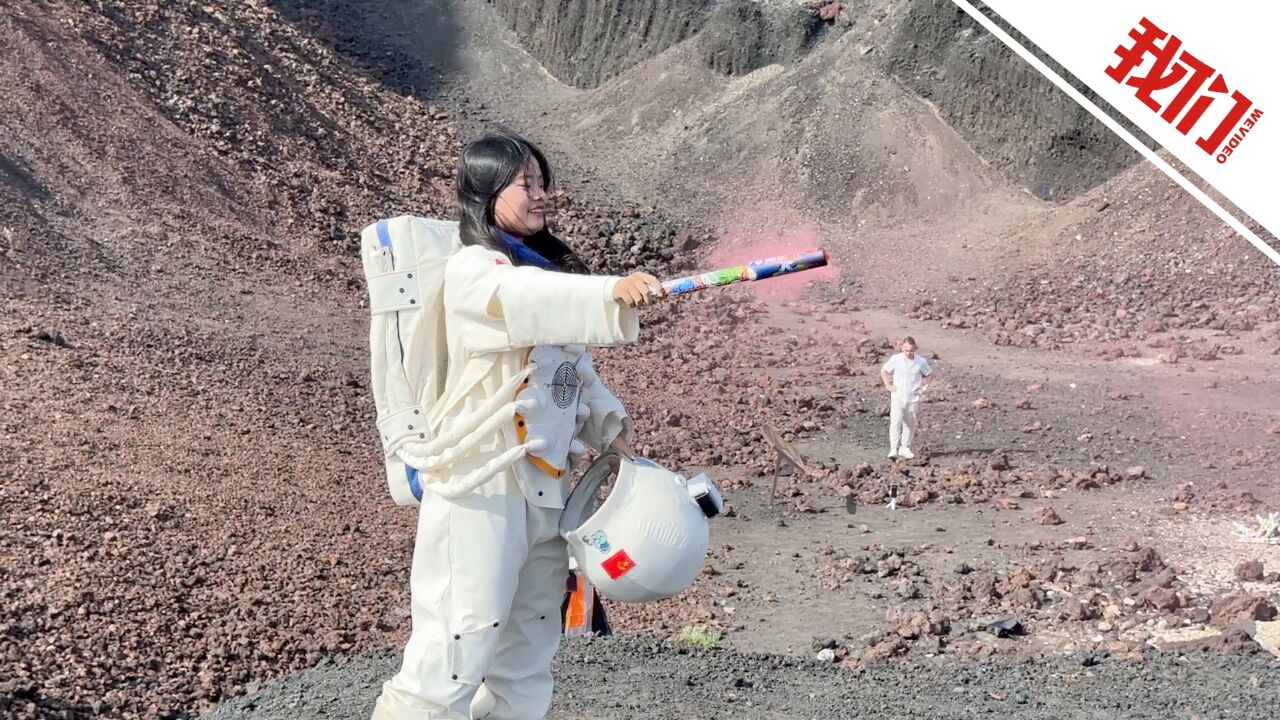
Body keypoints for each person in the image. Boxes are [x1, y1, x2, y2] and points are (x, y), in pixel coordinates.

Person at [371, 132, 664, 720]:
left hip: (547, 486)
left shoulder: (541, 270)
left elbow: (570, 367)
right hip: (482, 484)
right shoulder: (475, 271)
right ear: (485, 192)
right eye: (525, 182)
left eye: (541, 180)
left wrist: (609, 424)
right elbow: (526, 298)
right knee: (456, 644)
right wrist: (609, 291)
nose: (540, 193)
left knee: (530, 651)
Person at [879, 336, 933, 460]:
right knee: (896, 422)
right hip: (898, 396)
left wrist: (923, 388)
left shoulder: (921, 361)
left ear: (915, 349)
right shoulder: (896, 359)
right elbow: (884, 370)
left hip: (913, 398)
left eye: (911, 350)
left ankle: (905, 447)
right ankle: (893, 449)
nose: (908, 353)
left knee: (910, 423)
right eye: (906, 350)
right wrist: (888, 385)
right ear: (902, 348)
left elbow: (929, 374)